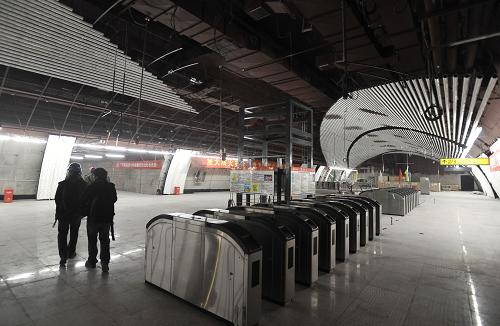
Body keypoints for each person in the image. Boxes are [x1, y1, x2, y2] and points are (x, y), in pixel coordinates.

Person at [82, 168, 117, 273]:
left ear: (95, 176)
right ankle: (105, 263)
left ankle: (92, 261)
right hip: (106, 219)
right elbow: (114, 199)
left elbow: (84, 200)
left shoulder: (91, 187)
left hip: (93, 218)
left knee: (92, 241)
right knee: (105, 241)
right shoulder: (111, 186)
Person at [54, 162, 87, 267]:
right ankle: (71, 252)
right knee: (74, 233)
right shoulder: (84, 185)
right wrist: (83, 213)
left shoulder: (62, 184)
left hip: (63, 215)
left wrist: (59, 213)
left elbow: (57, 200)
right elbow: (87, 200)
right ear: (80, 172)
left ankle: (63, 256)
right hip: (76, 215)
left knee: (62, 235)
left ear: (69, 172)